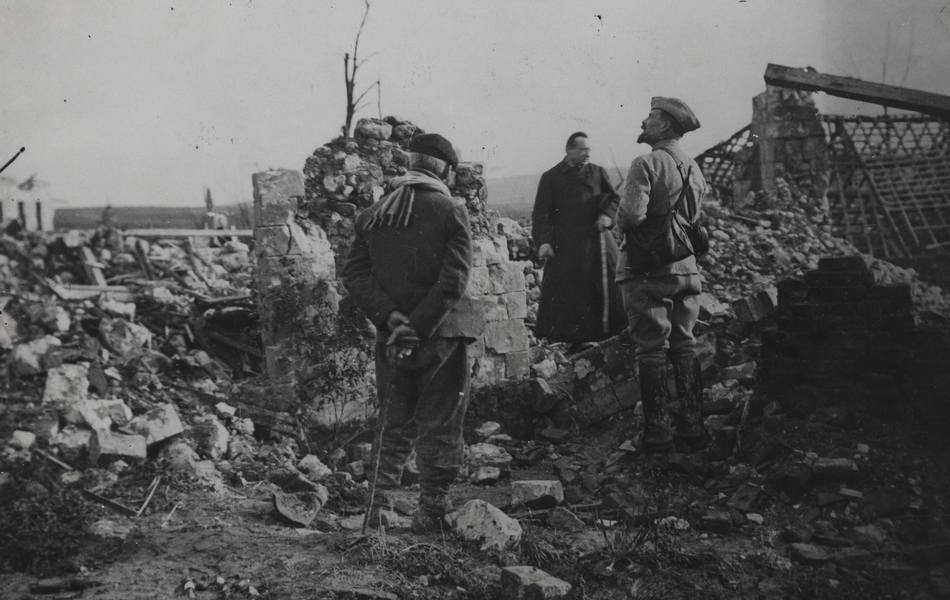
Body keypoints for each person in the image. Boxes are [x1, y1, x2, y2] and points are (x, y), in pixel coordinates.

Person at [342, 132, 484, 533]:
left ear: (411, 164)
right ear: (444, 170)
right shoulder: (450, 210)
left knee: (393, 419)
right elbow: (454, 281)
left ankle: (379, 510)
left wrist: (393, 322)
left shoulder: (372, 215)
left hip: (392, 340)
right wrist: (417, 328)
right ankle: (432, 510)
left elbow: (354, 275)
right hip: (441, 336)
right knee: (440, 420)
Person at [616, 97, 708, 453]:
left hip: (647, 271)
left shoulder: (646, 163)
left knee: (651, 349)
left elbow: (631, 216)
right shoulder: (694, 167)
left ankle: (657, 435)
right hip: (687, 269)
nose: (644, 121)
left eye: (651, 117)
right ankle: (692, 429)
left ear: (666, 125)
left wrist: (622, 221)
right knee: (685, 344)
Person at [531, 132, 627, 349]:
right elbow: (541, 213)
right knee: (571, 293)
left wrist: (607, 215)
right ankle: (576, 341)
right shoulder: (551, 177)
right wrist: (544, 241)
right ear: (569, 150)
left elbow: (614, 198)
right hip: (566, 246)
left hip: (598, 242)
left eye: (589, 150)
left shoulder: (598, 172)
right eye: (583, 150)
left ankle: (611, 337)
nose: (587, 154)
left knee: (609, 288)